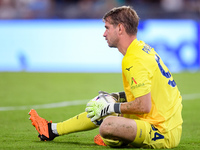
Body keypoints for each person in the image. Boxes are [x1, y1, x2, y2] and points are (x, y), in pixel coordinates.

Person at [29, 6, 183, 149]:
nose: (104, 34)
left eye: (107, 28)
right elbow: (151, 93)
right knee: (106, 103)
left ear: (120, 28)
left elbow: (144, 106)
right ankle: (52, 129)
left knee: (108, 125)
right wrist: (117, 97)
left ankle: (116, 138)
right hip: (168, 123)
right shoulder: (141, 48)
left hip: (161, 131)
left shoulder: (135, 60)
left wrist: (110, 107)